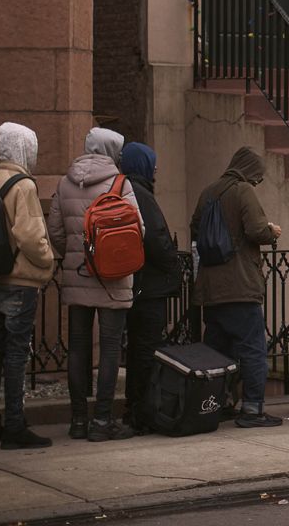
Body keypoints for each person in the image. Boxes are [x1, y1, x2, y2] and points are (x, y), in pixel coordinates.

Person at [48, 127, 140, 441]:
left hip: (77, 274)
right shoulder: (120, 183)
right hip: (113, 277)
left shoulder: (64, 182)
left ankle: (77, 420)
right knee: (111, 348)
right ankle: (102, 421)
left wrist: (74, 256)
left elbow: (55, 231)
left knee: (78, 347)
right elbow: (137, 229)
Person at [190, 147, 283, 427]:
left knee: (217, 353)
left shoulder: (208, 192)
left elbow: (195, 229)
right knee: (253, 349)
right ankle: (253, 409)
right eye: (258, 177)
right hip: (240, 286)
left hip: (211, 289)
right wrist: (271, 231)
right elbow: (256, 230)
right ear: (250, 171)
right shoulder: (243, 190)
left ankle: (216, 403)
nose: (257, 182)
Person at [0, 123, 56, 449]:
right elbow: (31, 236)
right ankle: (14, 426)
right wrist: (48, 260)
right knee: (15, 355)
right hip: (20, 282)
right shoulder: (23, 186)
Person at [119, 142, 182, 435]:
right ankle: (141, 411)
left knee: (135, 349)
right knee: (145, 348)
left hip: (134, 283)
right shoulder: (140, 194)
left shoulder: (124, 189)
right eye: (152, 163)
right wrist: (173, 264)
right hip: (149, 286)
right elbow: (156, 237)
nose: (156, 169)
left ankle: (134, 408)